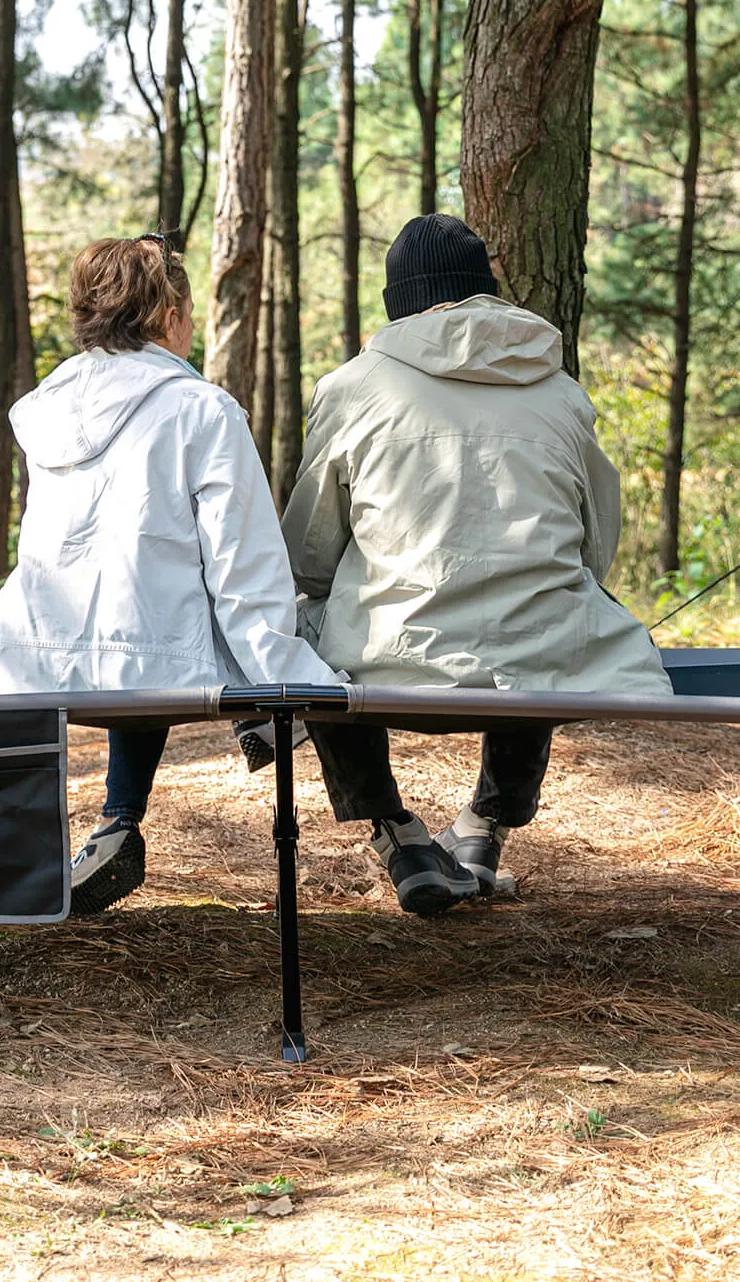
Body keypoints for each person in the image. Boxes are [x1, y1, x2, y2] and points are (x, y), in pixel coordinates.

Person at [281, 214, 672, 916]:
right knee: (543, 604)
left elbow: (309, 557)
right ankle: (486, 826)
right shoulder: (561, 388)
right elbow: (594, 545)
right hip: (537, 673)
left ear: (399, 300)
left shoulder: (353, 386)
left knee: (299, 627)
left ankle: (395, 830)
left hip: (390, 669)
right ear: (485, 290)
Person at [0, 234, 339, 914]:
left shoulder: (51, 408)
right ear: (169, 316)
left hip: (33, 642)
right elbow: (243, 565)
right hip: (151, 647)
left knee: (152, 601)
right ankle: (386, 825)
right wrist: (292, 678)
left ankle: (109, 824)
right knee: (183, 616)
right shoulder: (202, 412)